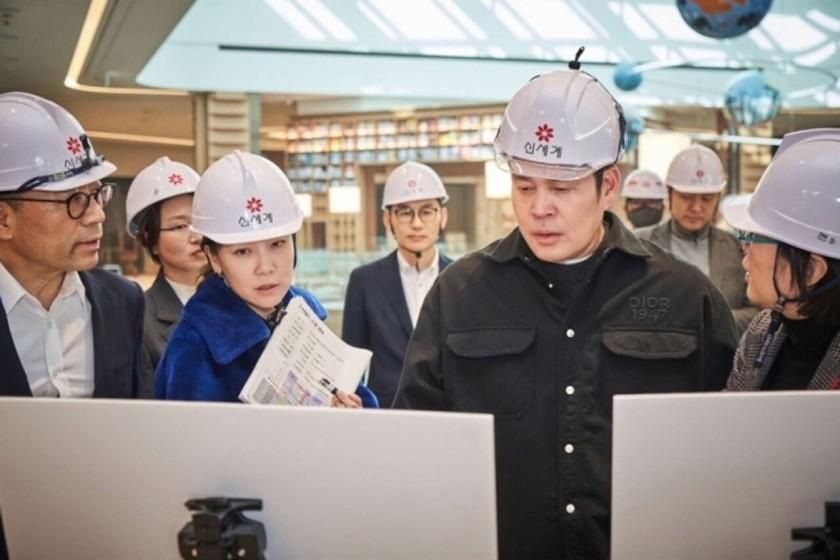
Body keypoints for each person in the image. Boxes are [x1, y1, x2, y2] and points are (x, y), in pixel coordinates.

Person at [393, 55, 738, 560]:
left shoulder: (687, 299)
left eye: (562, 187)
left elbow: (729, 463)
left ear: (609, 187)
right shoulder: (459, 294)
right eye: (525, 185)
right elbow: (414, 449)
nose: (539, 208)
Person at [155, 150, 375, 408]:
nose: (265, 267)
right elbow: (190, 444)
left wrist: (354, 412)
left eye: (277, 244)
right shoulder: (194, 346)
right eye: (243, 251)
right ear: (214, 258)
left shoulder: (302, 313)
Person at [0, 92, 144, 398]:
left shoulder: (123, 301)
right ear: (3, 219)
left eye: (96, 194)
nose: (97, 215)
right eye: (73, 200)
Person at [723, 128, 840, 391]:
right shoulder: (762, 330)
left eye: (756, 237)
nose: (745, 248)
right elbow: (730, 418)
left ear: (812, 270)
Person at [342, 161, 452, 407]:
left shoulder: (462, 277)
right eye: (404, 212)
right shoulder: (364, 281)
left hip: (448, 413)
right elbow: (352, 363)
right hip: (386, 413)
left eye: (426, 211)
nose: (416, 223)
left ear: (442, 216)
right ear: (387, 219)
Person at [636, 145, 757, 333]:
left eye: (707, 199)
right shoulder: (638, 244)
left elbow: (758, 313)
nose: (697, 208)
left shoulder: (738, 249)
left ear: (718, 198)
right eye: (686, 197)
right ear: (670, 195)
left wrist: (713, 319)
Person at [125, 157, 203, 397]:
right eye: (179, 226)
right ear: (150, 241)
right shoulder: (138, 319)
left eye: (200, 222)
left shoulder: (244, 297)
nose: (196, 236)